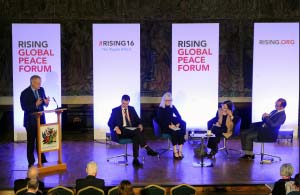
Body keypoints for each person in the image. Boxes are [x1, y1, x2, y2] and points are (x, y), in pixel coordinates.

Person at [108, 95, 158, 167]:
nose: (125, 105)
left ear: (129, 102)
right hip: (122, 131)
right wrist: (116, 127)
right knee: (137, 132)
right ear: (121, 101)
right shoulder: (115, 110)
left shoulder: (131, 109)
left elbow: (138, 120)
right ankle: (147, 148)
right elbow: (109, 122)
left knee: (136, 135)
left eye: (127, 104)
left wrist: (140, 124)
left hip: (132, 130)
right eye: (123, 103)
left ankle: (135, 159)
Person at [20, 75, 50, 167]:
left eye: (40, 83)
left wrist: (46, 103)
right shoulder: (25, 93)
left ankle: (42, 159)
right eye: (38, 83)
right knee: (31, 142)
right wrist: (35, 104)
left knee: (41, 142)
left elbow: (43, 103)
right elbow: (24, 107)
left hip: (41, 120)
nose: (39, 85)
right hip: (30, 122)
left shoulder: (41, 90)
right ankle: (31, 162)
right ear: (32, 83)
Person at [156, 92, 186, 160]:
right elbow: (160, 120)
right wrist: (169, 126)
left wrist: (178, 123)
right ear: (163, 100)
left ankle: (180, 151)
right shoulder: (160, 108)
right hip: (164, 125)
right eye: (167, 100)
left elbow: (179, 116)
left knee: (183, 124)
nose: (168, 102)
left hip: (172, 123)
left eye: (170, 100)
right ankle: (175, 151)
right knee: (174, 132)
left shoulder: (172, 107)